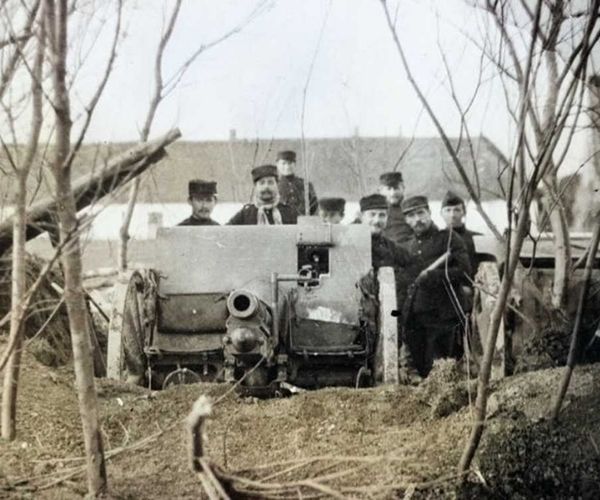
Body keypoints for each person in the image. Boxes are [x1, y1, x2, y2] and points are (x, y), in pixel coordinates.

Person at [398, 195, 471, 380]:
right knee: (421, 373)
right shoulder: (407, 247)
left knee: (445, 373)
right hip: (417, 321)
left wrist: (434, 276)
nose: (417, 220)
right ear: (406, 220)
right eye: (411, 216)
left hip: (445, 318)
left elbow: (464, 271)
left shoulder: (448, 239)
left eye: (421, 213)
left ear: (430, 213)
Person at [228, 164, 297, 225]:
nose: (266, 186)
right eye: (262, 183)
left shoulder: (290, 213)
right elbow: (225, 233)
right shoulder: (245, 214)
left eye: (270, 182)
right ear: (255, 187)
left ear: (277, 185)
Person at [440, 190, 481, 276]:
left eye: (457, 210)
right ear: (441, 213)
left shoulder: (477, 239)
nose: (452, 215)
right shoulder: (436, 239)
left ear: (464, 212)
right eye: (448, 210)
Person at [276, 150, 318, 216]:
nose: (287, 167)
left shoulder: (306, 185)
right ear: (277, 165)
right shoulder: (275, 185)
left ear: (295, 164)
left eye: (290, 163)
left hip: (302, 223)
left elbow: (314, 206)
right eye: (283, 163)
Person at [378, 171, 412, 245]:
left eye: (396, 188)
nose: (392, 193)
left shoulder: (411, 209)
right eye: (388, 189)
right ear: (380, 191)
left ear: (403, 188)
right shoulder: (371, 210)